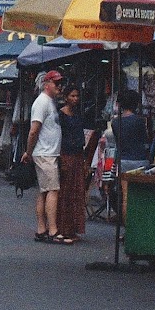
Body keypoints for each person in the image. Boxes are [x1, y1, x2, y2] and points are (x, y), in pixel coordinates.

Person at [21, 69, 67, 244]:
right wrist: (29, 151)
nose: (59, 87)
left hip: (47, 152)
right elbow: (34, 130)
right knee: (52, 190)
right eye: (56, 83)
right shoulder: (41, 103)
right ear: (47, 84)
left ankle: (42, 229)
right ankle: (53, 230)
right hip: (45, 153)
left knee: (44, 191)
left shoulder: (49, 102)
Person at [55, 86, 91, 242]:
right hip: (66, 154)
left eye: (77, 96)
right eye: (72, 96)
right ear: (66, 97)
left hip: (77, 154)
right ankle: (63, 227)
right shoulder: (61, 115)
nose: (75, 99)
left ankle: (73, 228)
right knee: (65, 192)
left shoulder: (78, 114)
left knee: (76, 191)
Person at [110, 90, 150, 175]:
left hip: (123, 161)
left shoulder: (115, 122)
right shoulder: (139, 120)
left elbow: (117, 144)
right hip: (140, 160)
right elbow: (145, 142)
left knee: (124, 187)